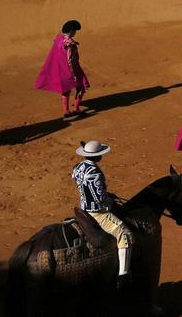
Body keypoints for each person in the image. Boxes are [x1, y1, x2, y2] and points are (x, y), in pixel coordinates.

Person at [71, 140, 133, 288]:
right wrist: (110, 201)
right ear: (98, 157)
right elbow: (99, 199)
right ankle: (123, 275)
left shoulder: (77, 167)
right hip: (96, 212)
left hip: (82, 206)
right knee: (124, 233)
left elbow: (82, 186)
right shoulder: (96, 173)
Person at [35, 19, 91, 119]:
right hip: (72, 69)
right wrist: (74, 74)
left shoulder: (59, 39)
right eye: (75, 30)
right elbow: (70, 60)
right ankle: (76, 109)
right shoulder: (70, 44)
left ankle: (66, 111)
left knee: (66, 90)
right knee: (81, 87)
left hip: (61, 69)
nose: (75, 32)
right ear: (71, 30)